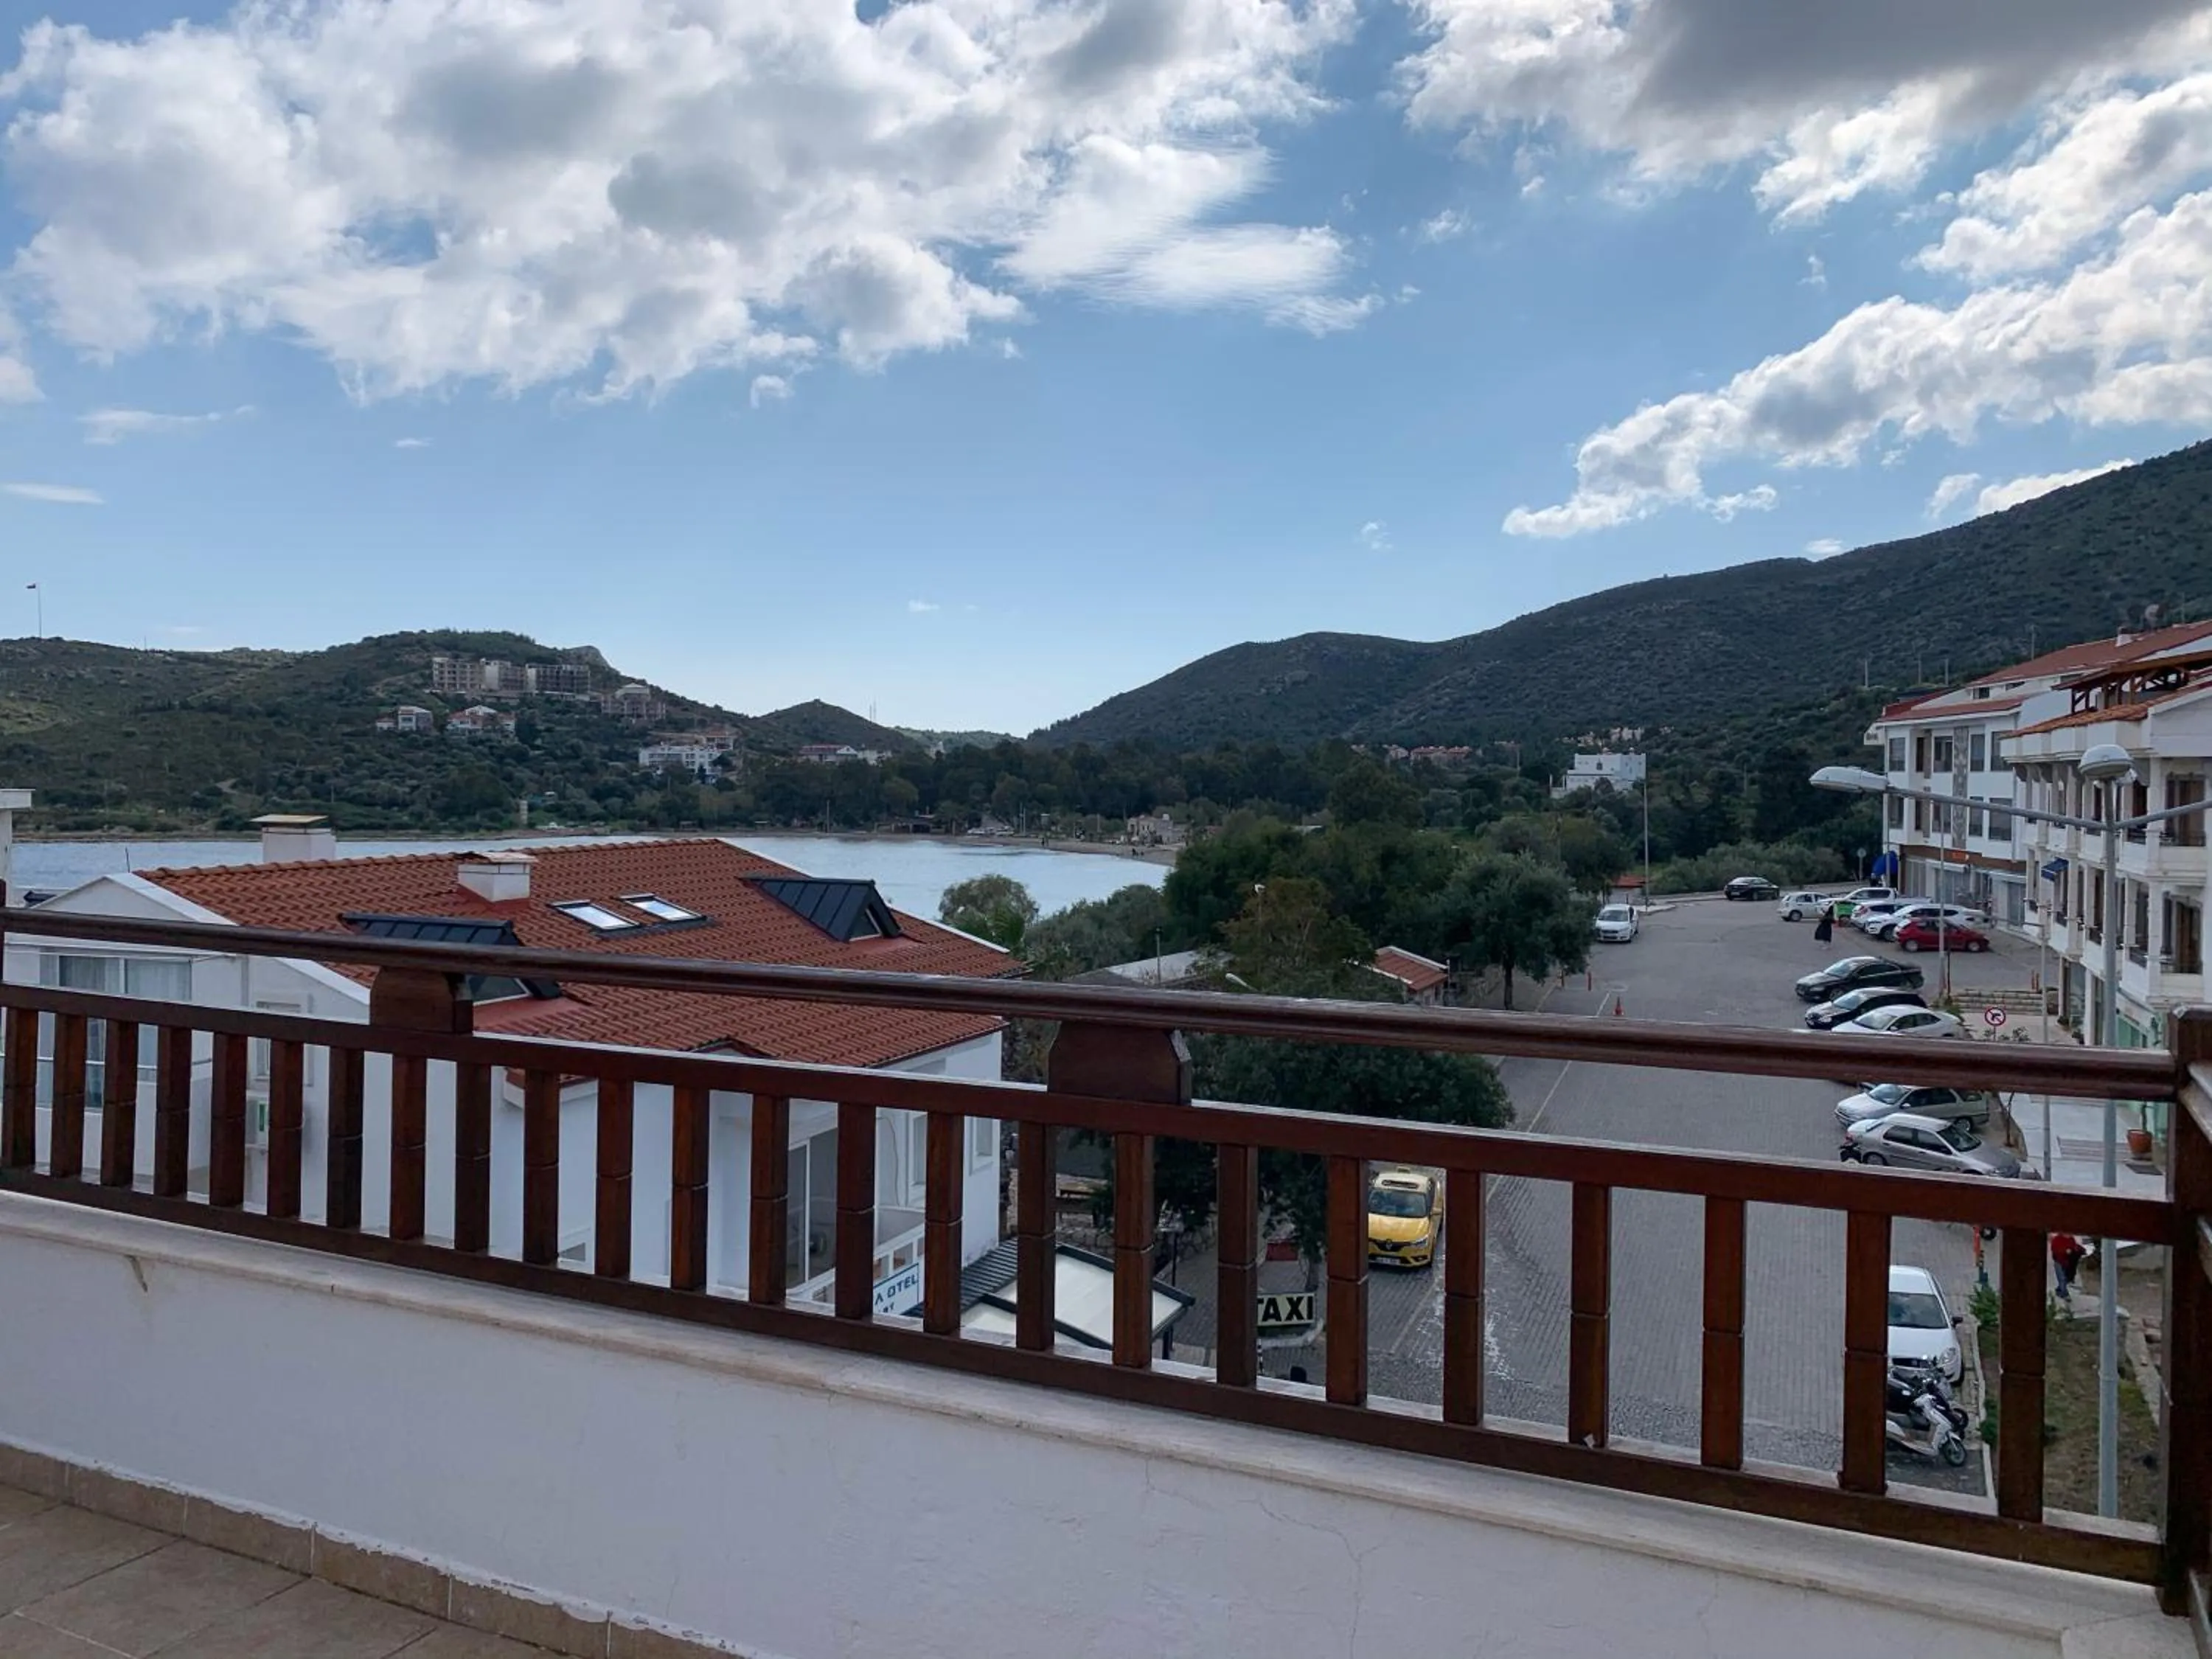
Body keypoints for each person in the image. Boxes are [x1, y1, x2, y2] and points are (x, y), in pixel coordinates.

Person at [2051, 1231, 2085, 1302]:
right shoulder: (2057, 1239)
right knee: (2062, 1278)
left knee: (2066, 1278)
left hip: (2067, 1262)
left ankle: (2059, 1290)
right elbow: (2054, 1249)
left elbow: (2075, 1247)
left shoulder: (2071, 1239)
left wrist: (2080, 1250)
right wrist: (2065, 1251)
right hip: (2059, 1262)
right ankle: (2066, 1295)